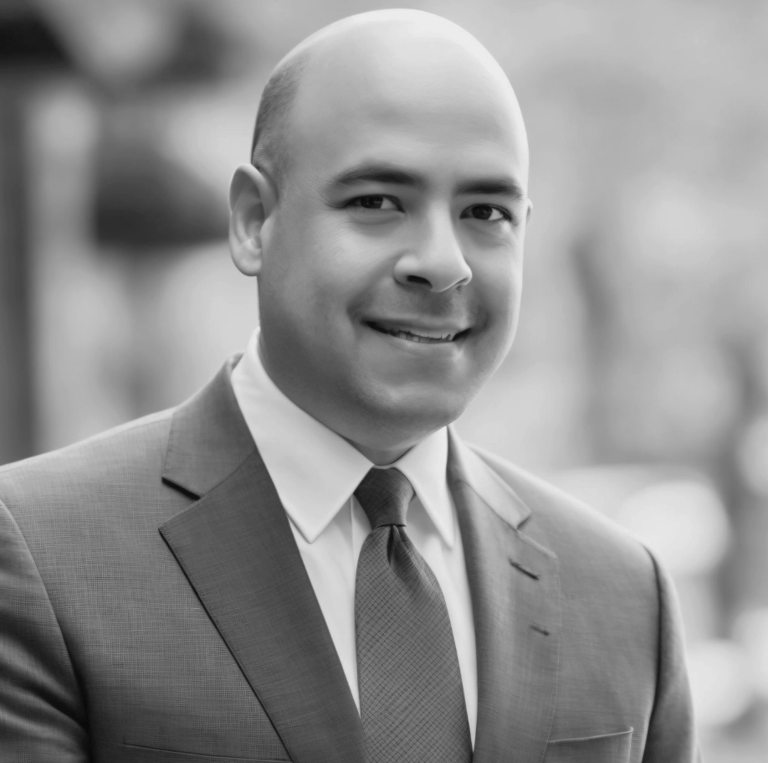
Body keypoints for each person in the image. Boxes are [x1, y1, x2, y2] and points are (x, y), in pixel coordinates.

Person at [0, 9, 699, 763]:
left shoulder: (626, 594)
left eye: (486, 213)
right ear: (253, 220)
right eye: (377, 201)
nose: (443, 261)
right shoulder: (41, 554)